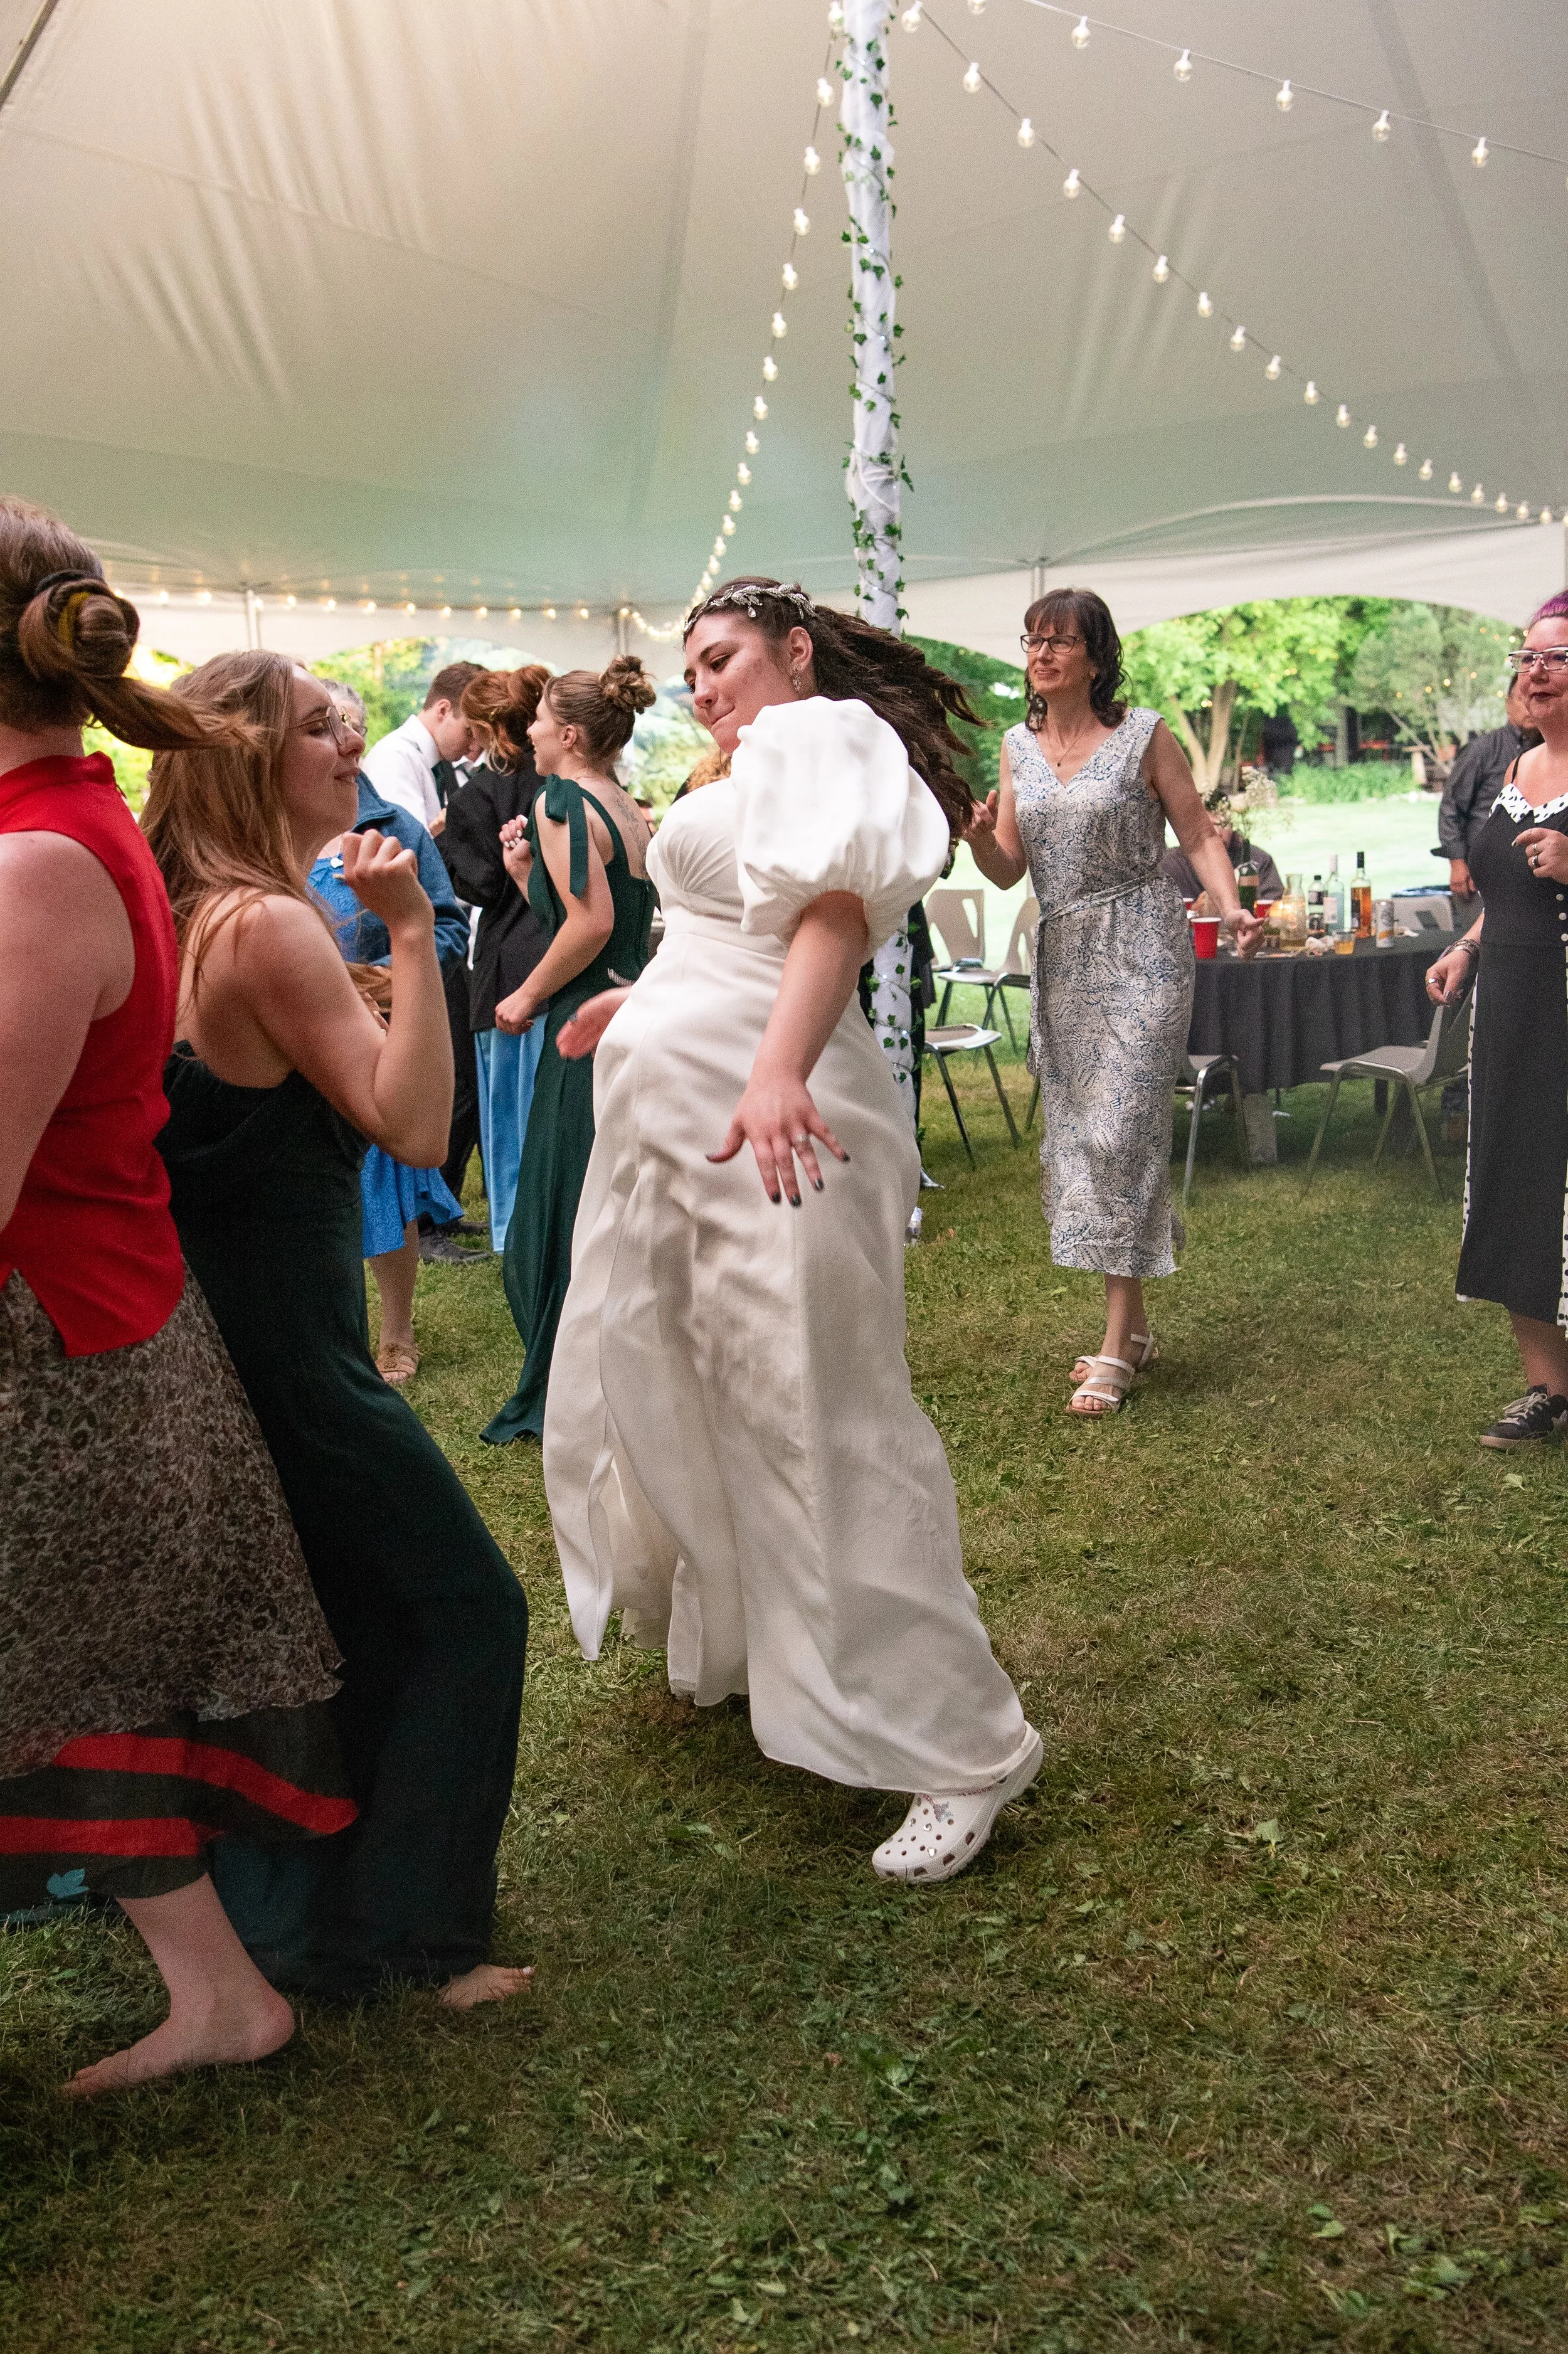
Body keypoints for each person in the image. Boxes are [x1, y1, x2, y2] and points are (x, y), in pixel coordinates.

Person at [542, 576, 1041, 1885]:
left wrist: (774, 1070)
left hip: (779, 1122)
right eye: (690, 666)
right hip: (679, 1125)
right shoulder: (738, 765)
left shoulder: (819, 735)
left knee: (817, 1404)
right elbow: (722, 926)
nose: (701, 683)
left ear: (794, 650)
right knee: (702, 1386)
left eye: (723, 657)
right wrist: (630, 1004)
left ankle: (961, 1747)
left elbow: (822, 918)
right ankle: (762, 1649)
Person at [0, 498, 355, 2094]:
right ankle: (220, 1996)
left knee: (66, 1675)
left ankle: (227, 1998)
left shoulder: (43, 866)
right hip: (92, 1322)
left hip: (57, 1346)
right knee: (65, 1678)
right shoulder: (60, 825)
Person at [142, 650, 530, 2007]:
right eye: (318, 724)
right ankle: (411, 1942)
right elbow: (417, 1130)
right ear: (245, 756)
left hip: (206, 1346)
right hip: (298, 1360)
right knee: (465, 1610)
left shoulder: (178, 906)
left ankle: (326, 1903)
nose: (349, 735)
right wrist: (413, 930)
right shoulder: (269, 923)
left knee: (339, 1622)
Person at [967, 588, 1264, 1415]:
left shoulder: (1144, 734)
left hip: (1142, 948)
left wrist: (1230, 904)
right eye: (1032, 639)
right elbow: (1005, 869)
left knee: (1122, 1131)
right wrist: (974, 834)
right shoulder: (1016, 747)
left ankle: (1116, 1342)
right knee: (1085, 1142)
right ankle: (1131, 1328)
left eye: (1060, 640)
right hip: (1064, 955)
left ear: (1097, 657)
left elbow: (1200, 832)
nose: (1041, 653)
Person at [482, 657, 657, 1443]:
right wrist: (525, 874)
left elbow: (585, 929)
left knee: (560, 1207)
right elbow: (601, 918)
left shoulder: (559, 801)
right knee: (608, 1196)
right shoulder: (623, 805)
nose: (528, 730)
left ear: (570, 734)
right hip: (634, 1009)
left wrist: (521, 998)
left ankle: (572, 1386)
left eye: (539, 718)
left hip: (583, 1023)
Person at [1427, 593, 1568, 1448]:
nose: (1537, 670)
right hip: (1509, 1008)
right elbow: (1504, 893)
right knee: (1514, 1179)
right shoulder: (1517, 767)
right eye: (1528, 656)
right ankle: (1548, 1388)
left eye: (1558, 657)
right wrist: (1468, 950)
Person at [309, 694, 480, 1384]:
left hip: (373, 1035)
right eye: (323, 725)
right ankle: (329, 1329)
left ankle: (398, 1331)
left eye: (346, 722)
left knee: (383, 1187)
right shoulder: (258, 833)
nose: (345, 737)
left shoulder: (392, 824)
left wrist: (379, 977)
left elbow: (445, 928)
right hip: (295, 1048)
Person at [361, 662, 487, 1217]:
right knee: (445, 1078)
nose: (472, 746)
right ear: (443, 710)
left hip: (436, 931)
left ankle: (435, 1206)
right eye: (470, 730)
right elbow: (410, 853)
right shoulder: (395, 760)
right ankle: (429, 1209)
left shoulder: (431, 764)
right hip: (406, 943)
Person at [444, 665, 553, 1252]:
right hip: (562, 958)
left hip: (508, 966)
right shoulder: (562, 781)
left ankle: (513, 1231)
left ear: (486, 728)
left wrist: (443, 843)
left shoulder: (473, 798)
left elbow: (482, 886)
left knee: (509, 1114)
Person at [1438, 675, 1540, 903]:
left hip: (1537, 876)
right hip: (1483, 874)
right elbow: (1451, 808)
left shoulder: (1554, 752)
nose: (1529, 706)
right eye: (1522, 699)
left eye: (1536, 699)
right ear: (1507, 704)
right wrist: (1457, 863)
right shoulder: (1482, 750)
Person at [1161, 818, 1282, 904]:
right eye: (1209, 826)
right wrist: (1196, 910)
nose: (1217, 833)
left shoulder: (1257, 860)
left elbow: (1275, 904)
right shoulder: (1172, 864)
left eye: (1222, 825)